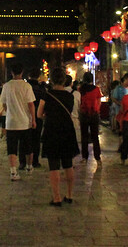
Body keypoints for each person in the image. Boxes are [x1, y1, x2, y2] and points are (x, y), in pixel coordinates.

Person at [37, 67, 80, 206]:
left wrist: (46, 116)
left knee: (54, 165)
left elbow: (39, 114)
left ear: (52, 80)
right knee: (68, 164)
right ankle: (69, 194)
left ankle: (56, 198)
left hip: (52, 130)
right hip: (67, 130)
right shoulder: (70, 96)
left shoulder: (47, 95)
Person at [0, 63, 36, 180]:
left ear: (11, 72)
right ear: (22, 72)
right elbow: (31, 105)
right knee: (28, 147)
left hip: (11, 122)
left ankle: (13, 172)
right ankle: (29, 167)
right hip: (25, 122)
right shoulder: (27, 86)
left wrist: (10, 111)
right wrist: (34, 120)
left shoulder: (6, 86)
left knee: (12, 148)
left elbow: (4, 104)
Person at [79, 72, 103, 163]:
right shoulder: (97, 89)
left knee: (84, 136)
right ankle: (97, 157)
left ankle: (84, 157)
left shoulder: (81, 89)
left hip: (84, 115)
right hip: (94, 115)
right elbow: (99, 102)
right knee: (95, 136)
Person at [27, 69, 46, 169]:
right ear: (38, 77)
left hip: (25, 115)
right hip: (38, 115)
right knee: (36, 139)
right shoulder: (41, 88)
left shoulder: (26, 87)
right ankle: (35, 161)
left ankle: (24, 161)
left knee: (25, 139)